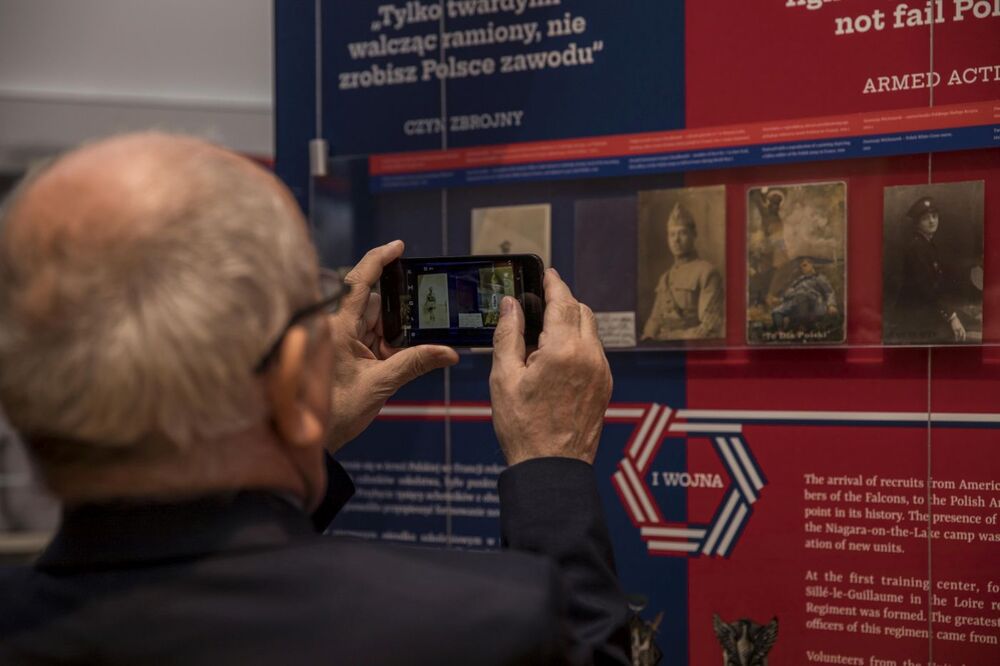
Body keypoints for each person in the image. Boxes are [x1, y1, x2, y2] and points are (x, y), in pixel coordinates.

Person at [0, 133, 627, 664]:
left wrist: (300, 435)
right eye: (320, 304)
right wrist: (554, 464)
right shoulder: (473, 628)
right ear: (298, 370)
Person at [887, 196, 967, 344]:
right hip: (913, 316)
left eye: (934, 216)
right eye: (925, 218)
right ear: (917, 223)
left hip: (924, 309)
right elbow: (928, 288)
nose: (932, 221)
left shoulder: (928, 244)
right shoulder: (916, 248)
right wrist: (952, 316)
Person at [641, 203, 723, 341]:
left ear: (694, 235)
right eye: (672, 235)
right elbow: (654, 320)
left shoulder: (706, 272)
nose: (676, 240)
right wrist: (647, 338)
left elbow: (709, 328)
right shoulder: (665, 278)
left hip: (692, 350)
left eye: (682, 233)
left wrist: (669, 337)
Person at [769, 256, 838, 331]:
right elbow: (788, 293)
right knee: (776, 311)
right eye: (801, 267)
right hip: (795, 301)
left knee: (801, 295)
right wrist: (780, 300)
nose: (803, 268)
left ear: (812, 264)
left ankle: (803, 326)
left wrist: (831, 305)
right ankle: (780, 332)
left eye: (805, 265)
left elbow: (829, 292)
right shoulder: (799, 280)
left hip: (813, 302)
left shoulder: (819, 278)